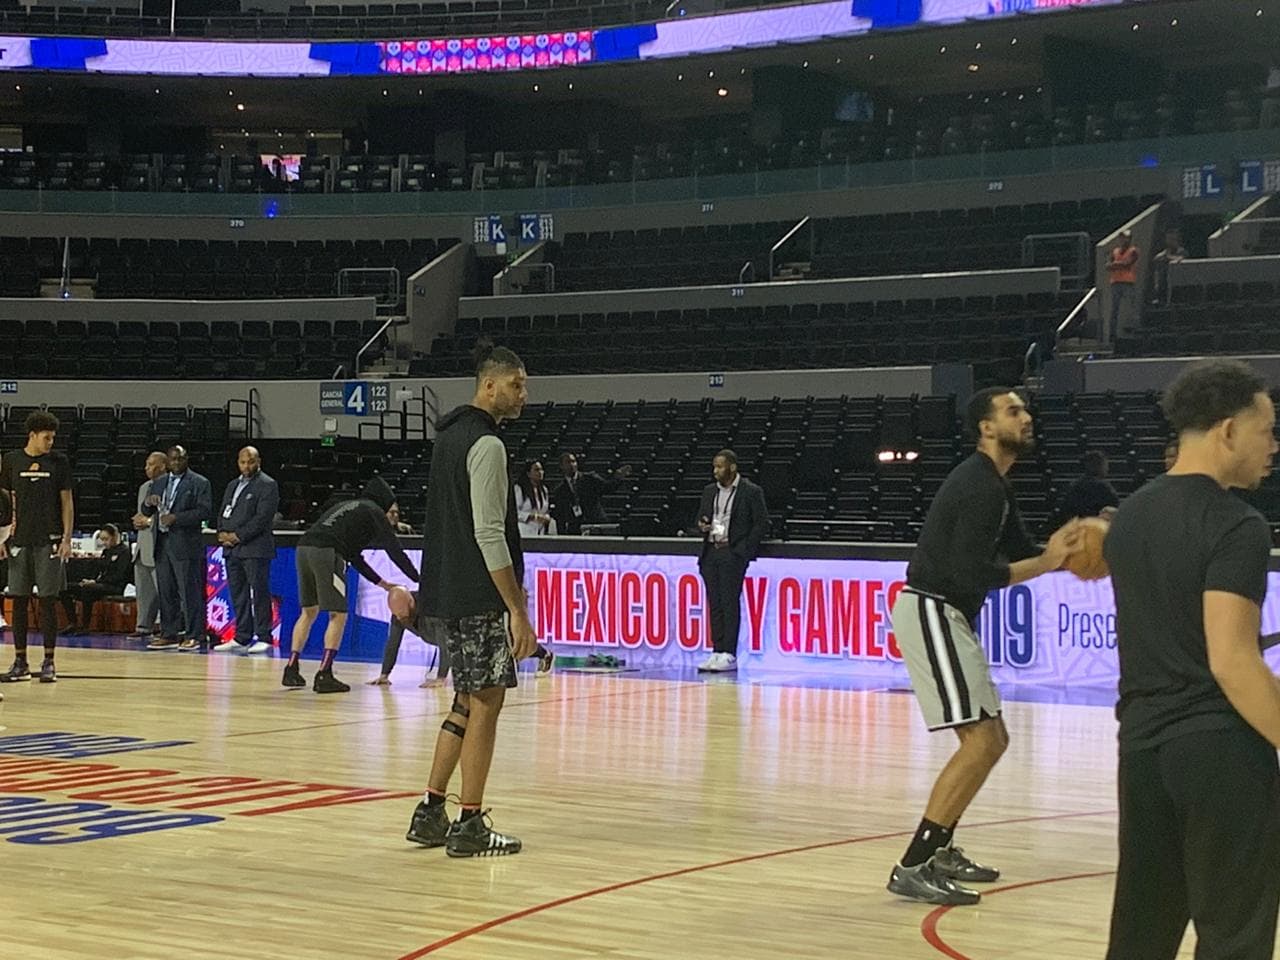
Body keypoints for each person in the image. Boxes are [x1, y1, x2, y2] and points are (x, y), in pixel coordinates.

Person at [1104, 359, 1280, 960]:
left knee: (1140, 935)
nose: (1273, 448)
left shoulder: (1130, 516)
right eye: (1267, 431)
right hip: (1221, 757)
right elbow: (1231, 661)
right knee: (1234, 937)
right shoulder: (1239, 526)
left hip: (1142, 750)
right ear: (1228, 430)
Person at [885, 387, 1082, 905]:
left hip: (945, 612)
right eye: (1014, 410)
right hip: (932, 609)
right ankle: (915, 863)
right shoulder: (978, 485)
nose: (1027, 416)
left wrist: (1073, 545)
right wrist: (1049, 562)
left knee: (990, 740)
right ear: (986, 427)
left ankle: (941, 847)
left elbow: (1020, 551)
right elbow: (975, 573)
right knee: (983, 742)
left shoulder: (995, 484)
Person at [405, 344, 534, 857]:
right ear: (489, 386)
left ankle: (430, 811)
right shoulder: (487, 445)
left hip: (446, 592)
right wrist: (517, 608)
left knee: (465, 699)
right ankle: (471, 822)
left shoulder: (447, 439)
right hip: (477, 594)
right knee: (487, 701)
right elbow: (487, 532)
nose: (523, 395)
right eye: (517, 385)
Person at [283, 476, 418, 694]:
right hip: (326, 554)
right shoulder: (375, 513)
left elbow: (355, 557)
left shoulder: (348, 506)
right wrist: (418, 578)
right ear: (384, 501)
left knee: (308, 612)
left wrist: (382, 583)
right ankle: (325, 673)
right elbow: (396, 552)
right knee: (339, 614)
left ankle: (291, 668)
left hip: (303, 548)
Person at [0, 410, 74, 684]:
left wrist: (66, 538)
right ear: (32, 435)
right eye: (46, 437)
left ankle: (49, 661)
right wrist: (2, 538)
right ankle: (20, 662)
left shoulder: (58, 461)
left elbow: (67, 502)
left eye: (53, 438)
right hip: (19, 540)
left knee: (47, 601)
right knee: (17, 600)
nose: (50, 442)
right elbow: (5, 502)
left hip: (49, 540)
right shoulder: (11, 460)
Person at [695, 449, 769, 673]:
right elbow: (700, 516)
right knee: (715, 604)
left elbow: (761, 522)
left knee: (729, 603)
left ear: (732, 467)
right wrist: (703, 524)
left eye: (719, 466)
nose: (715, 471)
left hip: (732, 552)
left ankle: (729, 652)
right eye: (714, 467)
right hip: (711, 550)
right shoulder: (710, 491)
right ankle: (717, 650)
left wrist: (744, 550)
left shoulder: (750, 491)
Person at [142, 445, 213, 653]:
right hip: (162, 541)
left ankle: (194, 635)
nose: (176, 463)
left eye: (180, 459)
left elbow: (204, 511)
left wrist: (177, 518)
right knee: (166, 591)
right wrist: (148, 502)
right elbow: (145, 509)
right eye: (173, 459)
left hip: (185, 544)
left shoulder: (199, 482)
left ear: (186, 459)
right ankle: (169, 633)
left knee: (189, 592)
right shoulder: (160, 482)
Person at [213, 446, 280, 655]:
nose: (246, 466)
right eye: (242, 462)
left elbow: (262, 518)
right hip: (232, 550)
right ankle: (242, 636)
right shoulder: (233, 485)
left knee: (259, 592)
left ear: (258, 461)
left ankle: (264, 636)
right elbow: (224, 510)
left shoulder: (267, 485)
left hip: (255, 548)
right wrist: (222, 532)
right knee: (237, 594)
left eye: (250, 462)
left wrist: (238, 536)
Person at [61, 525, 132, 635]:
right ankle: (72, 622)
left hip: (115, 586)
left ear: (115, 536)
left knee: (87, 589)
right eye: (102, 539)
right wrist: (90, 579)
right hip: (100, 584)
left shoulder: (125, 552)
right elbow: (99, 570)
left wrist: (96, 582)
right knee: (65, 588)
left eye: (106, 539)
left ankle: (85, 626)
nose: (104, 542)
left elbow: (119, 576)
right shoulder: (106, 552)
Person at [129, 451, 168, 639]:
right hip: (142, 545)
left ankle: (164, 625)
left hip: (159, 546)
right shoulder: (144, 487)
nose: (147, 468)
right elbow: (142, 515)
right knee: (144, 591)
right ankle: (143, 626)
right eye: (146, 464)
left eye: (151, 464)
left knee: (163, 590)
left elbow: (166, 516)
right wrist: (138, 521)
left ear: (162, 466)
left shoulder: (169, 485)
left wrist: (150, 522)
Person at [552, 452, 631, 535]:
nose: (572, 464)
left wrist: (617, 478)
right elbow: (560, 516)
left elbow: (607, 488)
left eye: (574, 461)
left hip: (597, 524)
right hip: (576, 529)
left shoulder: (590, 478)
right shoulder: (560, 490)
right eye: (568, 462)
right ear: (561, 466)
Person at [1055, 450, 1120, 523]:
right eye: (1105, 465)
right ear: (1099, 466)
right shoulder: (1104, 488)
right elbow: (1115, 508)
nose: (1107, 468)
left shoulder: (1074, 486)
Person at [1107, 229, 1140, 334]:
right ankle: (1112, 333)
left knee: (1129, 308)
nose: (1123, 240)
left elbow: (1128, 264)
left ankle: (1132, 330)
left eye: (1125, 237)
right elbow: (1108, 265)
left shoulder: (1133, 251)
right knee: (1114, 309)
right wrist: (1117, 264)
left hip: (1128, 283)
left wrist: (1116, 265)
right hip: (1115, 282)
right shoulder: (1115, 251)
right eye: (1121, 238)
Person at [515, 460, 556, 537]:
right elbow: (515, 512)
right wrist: (532, 516)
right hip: (524, 530)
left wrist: (546, 517)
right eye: (537, 470)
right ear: (528, 473)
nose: (540, 472)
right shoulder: (520, 489)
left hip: (540, 531)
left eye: (541, 469)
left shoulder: (544, 490)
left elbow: (544, 510)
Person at [1150, 229, 1187, 306]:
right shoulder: (1165, 252)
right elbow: (1157, 258)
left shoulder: (1182, 251)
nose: (1170, 242)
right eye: (1168, 239)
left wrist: (1168, 257)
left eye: (1172, 239)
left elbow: (1180, 259)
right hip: (1163, 279)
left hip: (1178, 279)